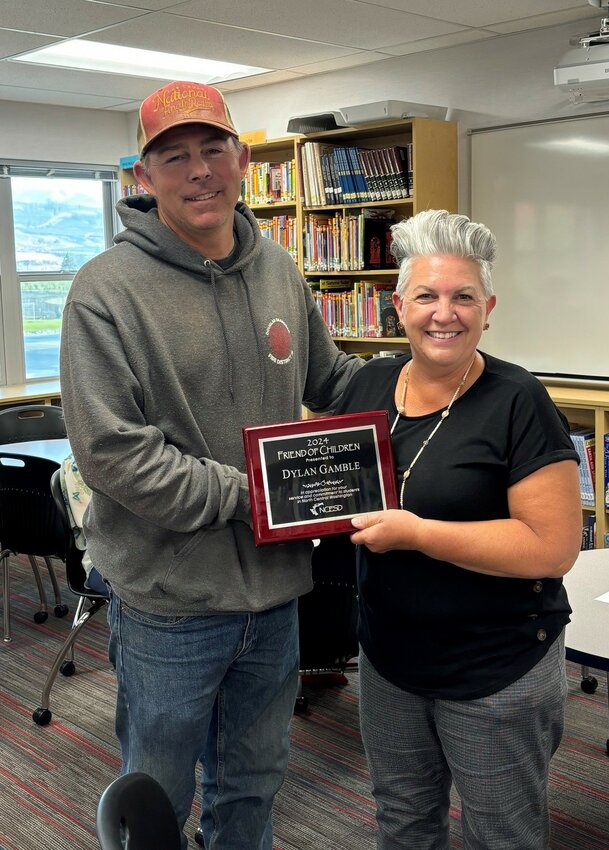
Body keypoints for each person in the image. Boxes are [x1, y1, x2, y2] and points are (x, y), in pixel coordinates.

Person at [59, 80, 361, 850]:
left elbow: (332, 384)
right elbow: (112, 453)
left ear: (241, 159)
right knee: (157, 796)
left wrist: (440, 372)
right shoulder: (106, 291)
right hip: (171, 600)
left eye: (212, 149)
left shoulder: (280, 270)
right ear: (144, 176)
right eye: (175, 156)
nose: (199, 171)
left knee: (255, 783)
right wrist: (256, 493)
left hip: (276, 594)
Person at [334, 209, 583, 850]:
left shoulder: (517, 399)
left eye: (462, 297)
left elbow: (551, 547)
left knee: (501, 835)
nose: (444, 313)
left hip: (496, 668)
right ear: (398, 306)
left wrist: (419, 534)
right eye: (426, 296)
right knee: (404, 822)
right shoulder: (366, 385)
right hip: (389, 660)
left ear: (488, 307)